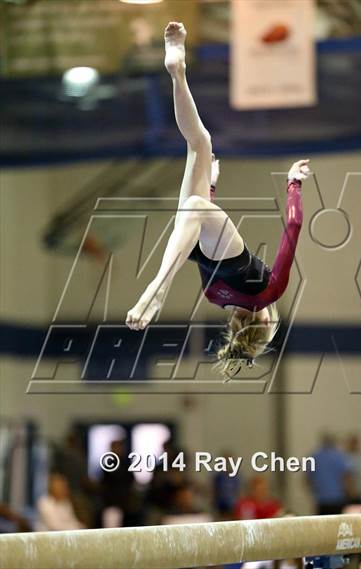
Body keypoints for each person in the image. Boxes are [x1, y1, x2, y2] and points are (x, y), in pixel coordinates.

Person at [126, 22, 310, 378]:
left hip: (213, 245)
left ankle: (158, 287)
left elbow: (294, 224)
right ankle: (177, 72)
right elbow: (204, 245)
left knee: (196, 200)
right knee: (200, 143)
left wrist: (293, 183)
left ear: (268, 321)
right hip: (198, 245)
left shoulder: (270, 293)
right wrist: (209, 189)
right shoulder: (215, 298)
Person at [306, 433, 353, 515]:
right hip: (337, 499)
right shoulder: (339, 456)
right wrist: (350, 495)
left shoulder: (315, 457)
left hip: (322, 500)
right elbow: (346, 477)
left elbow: (307, 480)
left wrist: (314, 492)